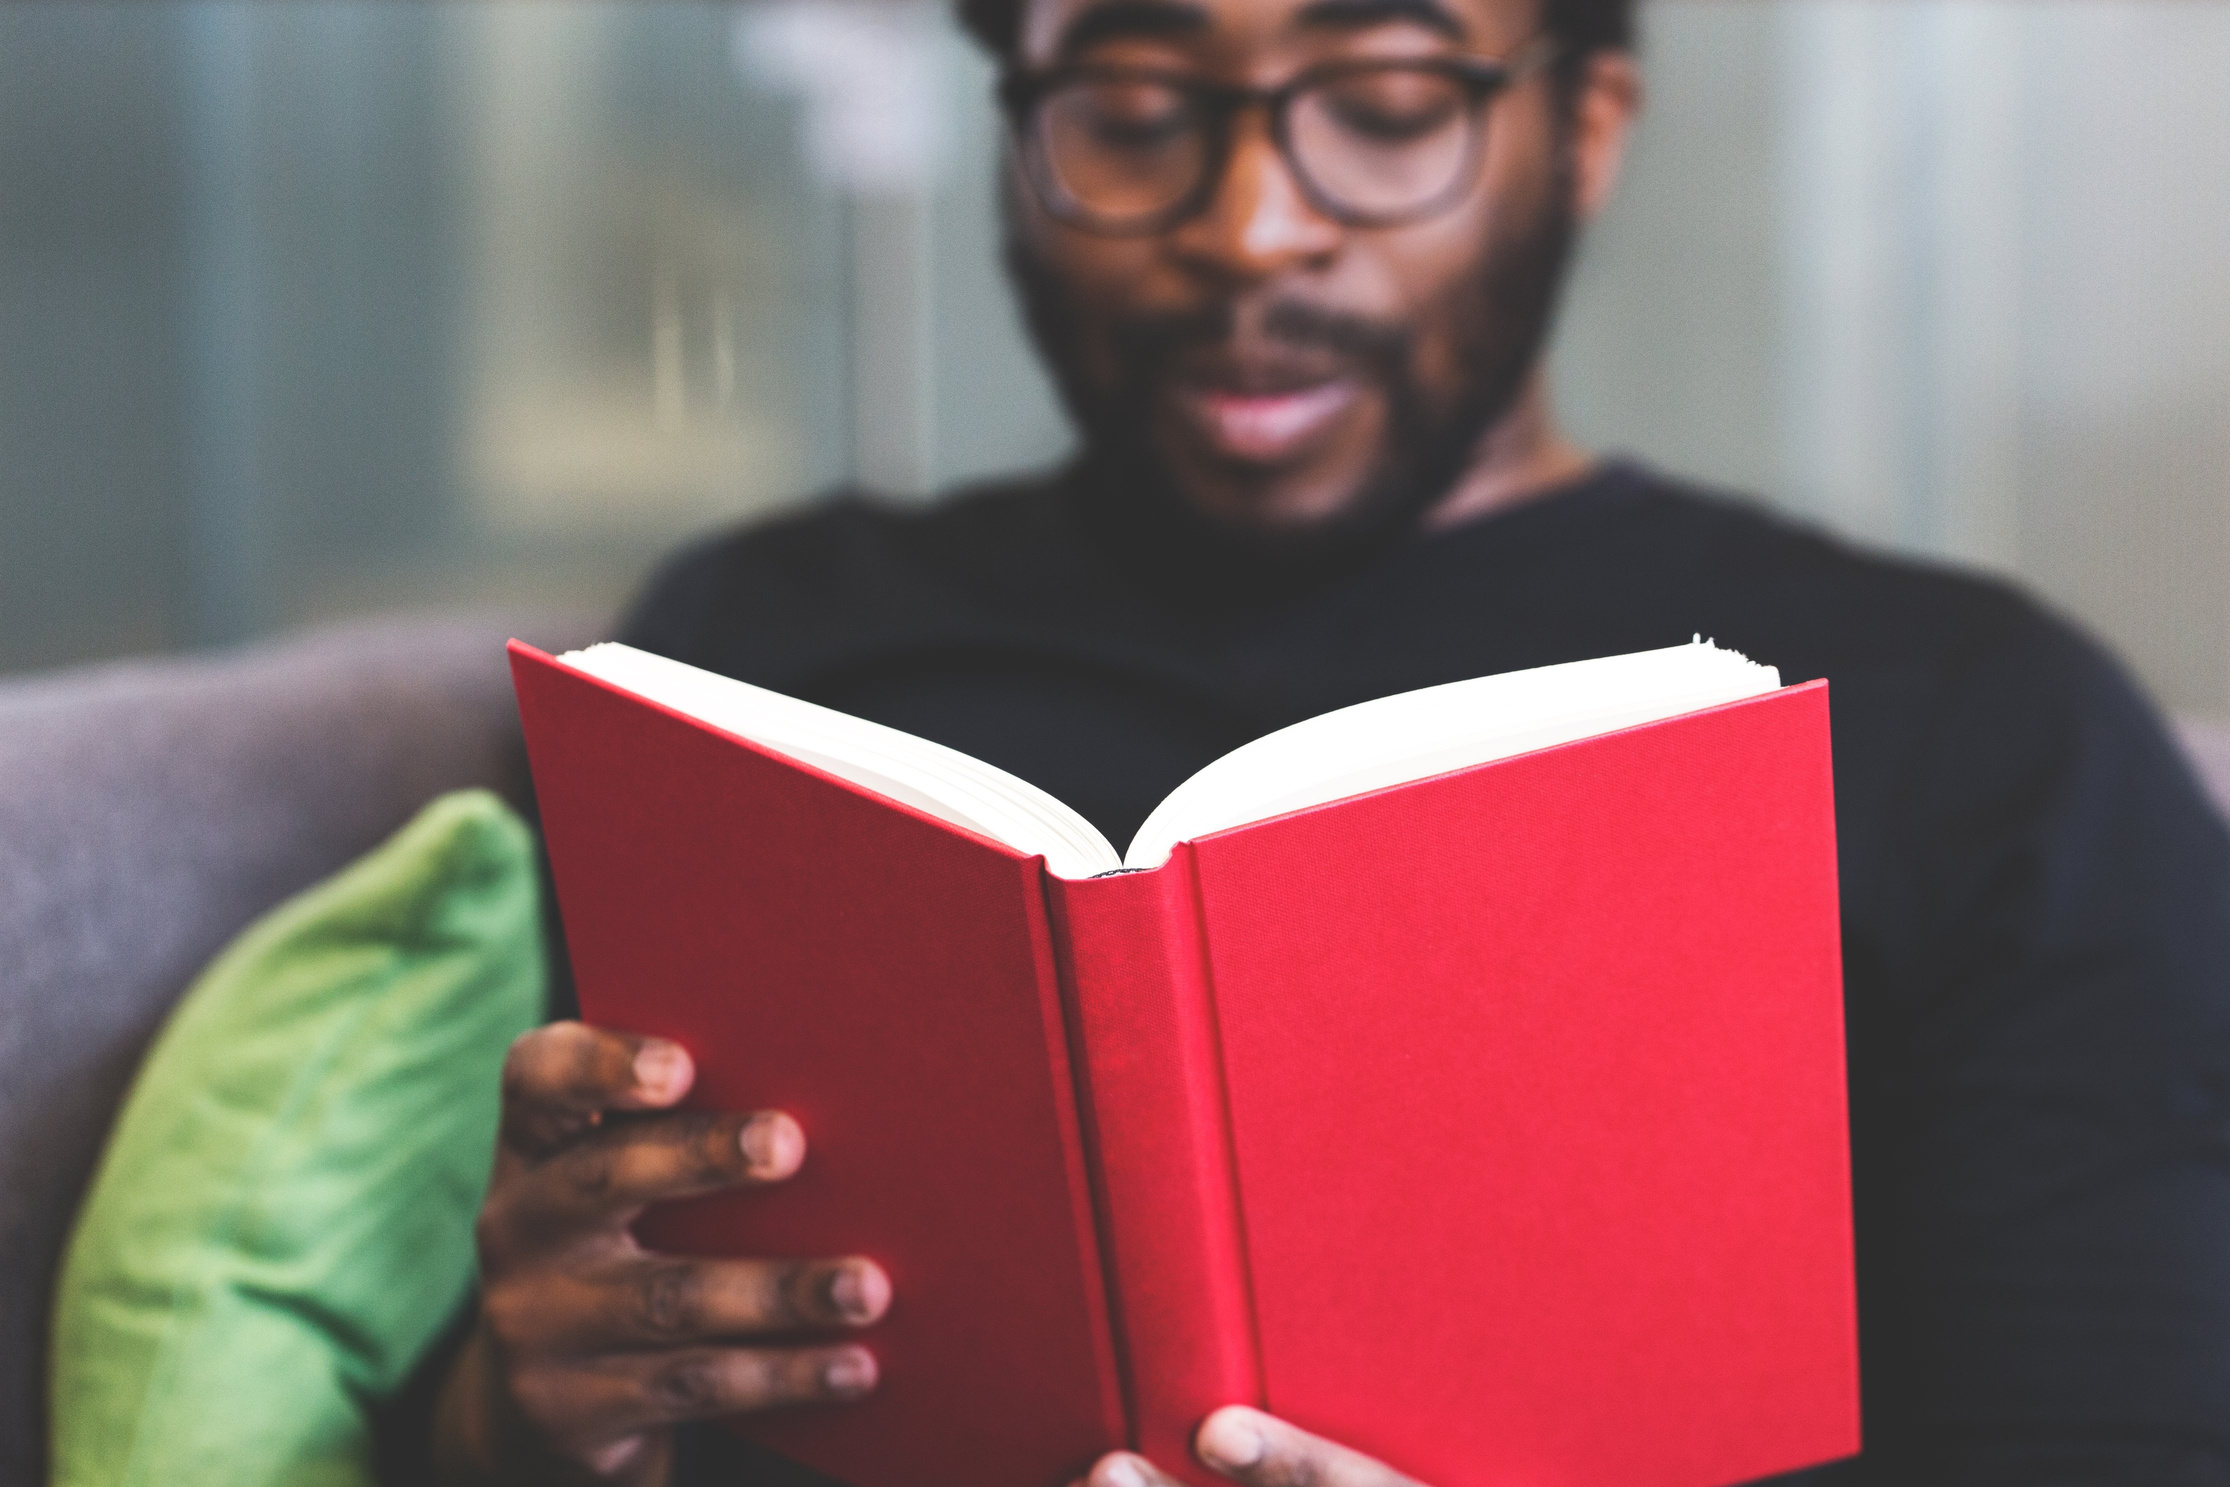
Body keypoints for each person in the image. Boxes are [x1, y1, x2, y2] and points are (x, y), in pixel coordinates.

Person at [424, 0, 2230, 1478]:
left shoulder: (1982, 726)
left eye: (1382, 104)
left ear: (1584, 130)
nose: (1248, 228)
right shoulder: (745, 661)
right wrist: (541, 1415)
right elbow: (525, 1363)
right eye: (1129, 109)